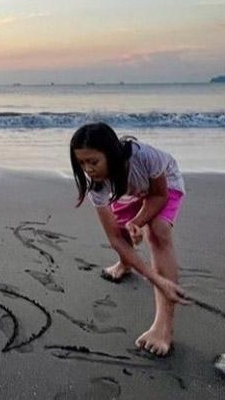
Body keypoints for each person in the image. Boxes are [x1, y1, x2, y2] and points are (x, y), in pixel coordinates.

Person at [70, 122, 190, 356]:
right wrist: (154, 278)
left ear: (111, 154)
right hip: (126, 190)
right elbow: (115, 238)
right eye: (81, 163)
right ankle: (125, 264)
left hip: (164, 185)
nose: (88, 169)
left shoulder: (145, 157)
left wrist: (139, 221)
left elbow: (159, 195)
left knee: (157, 232)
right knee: (122, 229)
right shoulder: (97, 186)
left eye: (93, 162)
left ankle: (163, 328)